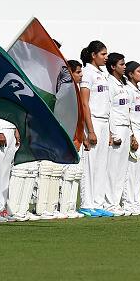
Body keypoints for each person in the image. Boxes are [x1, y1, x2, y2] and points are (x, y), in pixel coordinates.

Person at [78, 41, 114, 218]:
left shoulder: (103, 74)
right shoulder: (87, 74)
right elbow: (84, 103)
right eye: (103, 54)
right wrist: (90, 130)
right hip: (93, 122)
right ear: (93, 55)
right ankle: (87, 203)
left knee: (101, 165)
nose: (106, 57)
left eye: (107, 54)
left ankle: (98, 203)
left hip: (105, 122)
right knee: (90, 164)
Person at [103, 53, 131, 216]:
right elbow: (110, 110)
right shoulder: (110, 83)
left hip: (126, 127)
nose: (124, 66)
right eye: (121, 64)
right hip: (117, 128)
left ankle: (116, 202)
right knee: (112, 168)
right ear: (113, 66)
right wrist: (113, 133)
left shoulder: (122, 84)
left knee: (121, 169)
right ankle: (109, 203)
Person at [58, 60, 86, 218]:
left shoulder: (75, 89)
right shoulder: (66, 89)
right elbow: (63, 115)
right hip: (67, 134)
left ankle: (69, 206)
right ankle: (60, 206)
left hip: (76, 134)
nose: (81, 75)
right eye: (78, 72)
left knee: (74, 172)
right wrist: (72, 137)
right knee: (63, 171)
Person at [122, 61, 140, 215]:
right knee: (131, 169)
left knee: (139, 171)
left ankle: (136, 202)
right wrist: (132, 135)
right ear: (131, 74)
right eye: (139, 71)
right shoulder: (128, 90)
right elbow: (128, 114)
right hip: (134, 132)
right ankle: (128, 202)